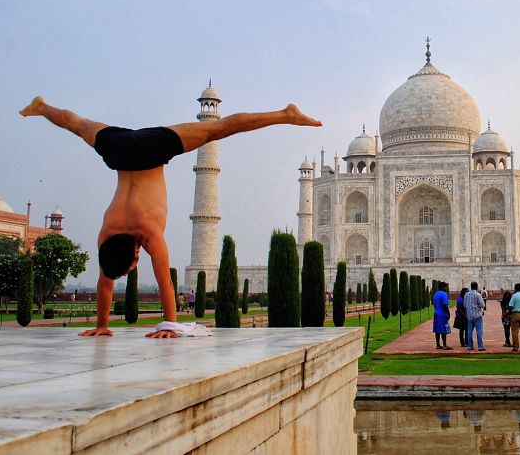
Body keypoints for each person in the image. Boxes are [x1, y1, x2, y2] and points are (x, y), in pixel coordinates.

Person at [21, 95, 321, 338]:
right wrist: (103, 325)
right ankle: (42, 106)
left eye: (130, 268)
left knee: (218, 129)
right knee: (78, 124)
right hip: (118, 148)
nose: (131, 269)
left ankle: (285, 114)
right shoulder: (108, 232)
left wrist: (169, 325)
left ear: (136, 252)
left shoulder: (148, 232)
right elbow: (108, 281)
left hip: (151, 150)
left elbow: (163, 282)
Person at [465, 281, 486, 351]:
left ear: (471, 286)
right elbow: (483, 305)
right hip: (477, 316)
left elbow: (464, 305)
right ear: (476, 287)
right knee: (479, 331)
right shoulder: (478, 295)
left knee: (469, 332)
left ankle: (470, 346)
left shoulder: (466, 295)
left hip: (469, 316)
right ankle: (480, 346)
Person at [432, 282, 452, 350]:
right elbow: (445, 305)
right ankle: (444, 345)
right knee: (443, 329)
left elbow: (434, 304)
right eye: (445, 287)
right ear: (443, 287)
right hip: (442, 313)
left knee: (437, 330)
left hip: (436, 313)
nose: (446, 288)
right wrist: (448, 313)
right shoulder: (444, 294)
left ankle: (438, 344)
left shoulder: (436, 294)